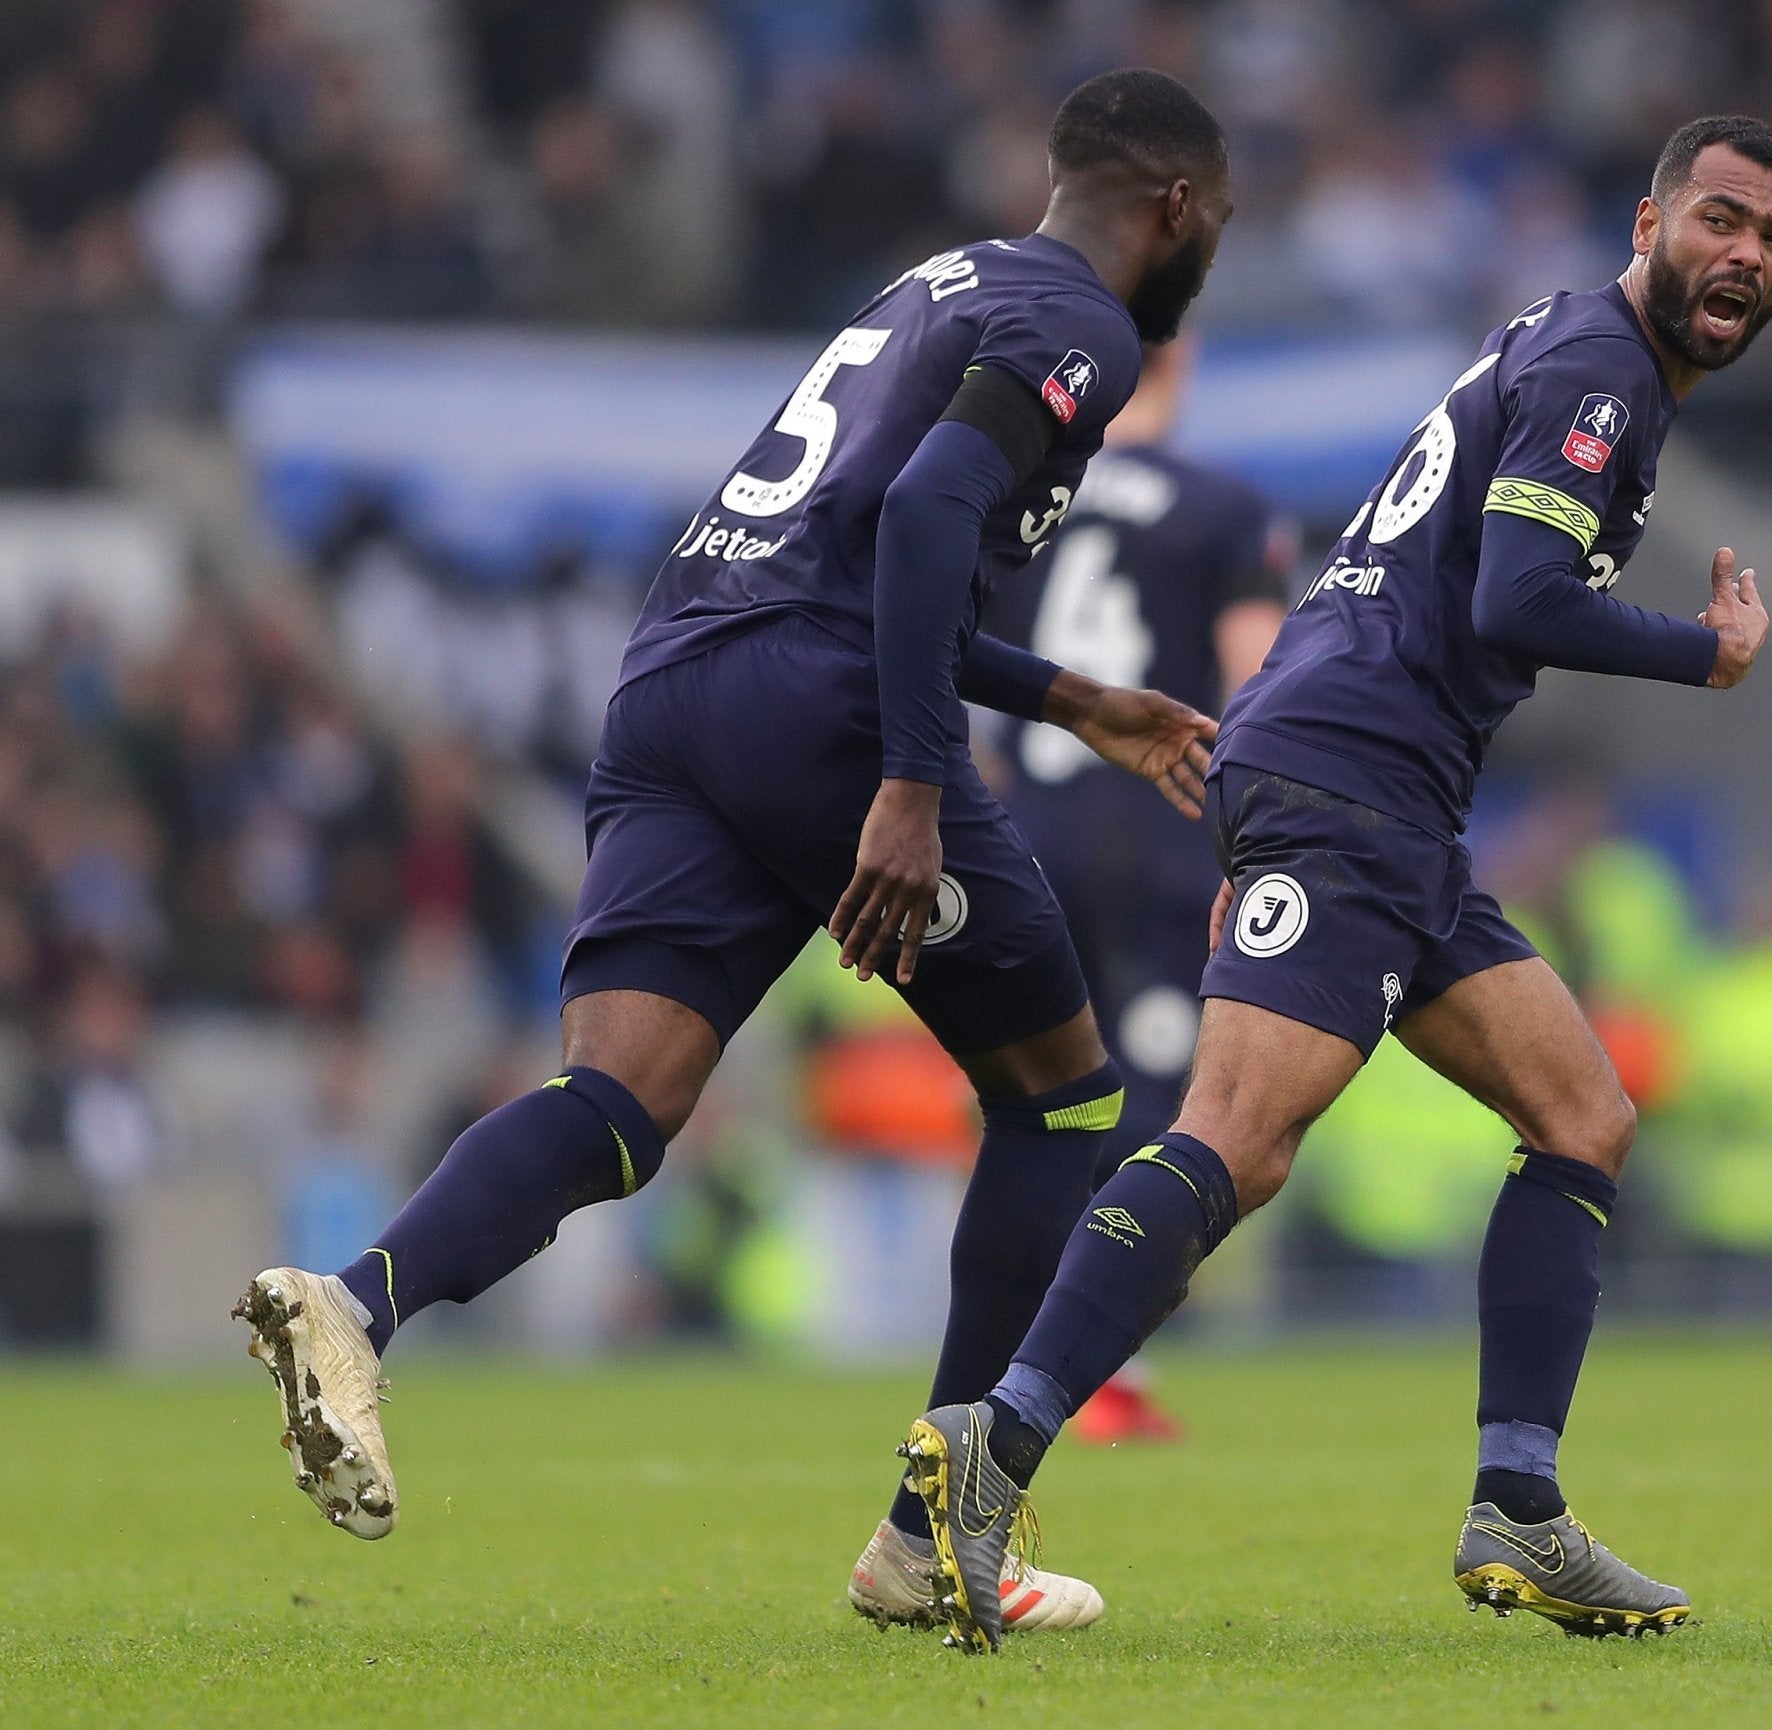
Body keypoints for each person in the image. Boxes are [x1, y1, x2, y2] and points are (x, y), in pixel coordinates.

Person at [232, 68, 1234, 1643]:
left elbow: (859, 544)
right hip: (821, 711)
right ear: (1173, 206)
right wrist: (908, 784)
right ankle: (938, 1533)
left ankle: (356, 1305)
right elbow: (917, 526)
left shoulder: (937, 281)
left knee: (619, 1097)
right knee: (1065, 1094)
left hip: (679, 678)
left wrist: (1072, 698)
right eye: (1216, 224)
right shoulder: (1084, 322)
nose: (1208, 258)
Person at [900, 114, 1772, 1653]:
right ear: (1646, 223)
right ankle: (992, 1447)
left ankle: (1516, 1502)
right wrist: (1697, 651)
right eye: (1718, 219)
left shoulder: (1575, 351)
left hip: (1383, 797)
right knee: (1236, 1142)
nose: (1743, 256)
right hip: (1349, 780)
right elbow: (1520, 593)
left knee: (1580, 1115)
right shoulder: (1598, 372)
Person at [976, 335, 1291, 1441]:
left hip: (1029, 838)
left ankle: (1017, 1357)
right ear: (1185, 358)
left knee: (1054, 1100)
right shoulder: (1224, 505)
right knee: (1160, 1108)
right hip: (1154, 838)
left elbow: (966, 667)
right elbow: (1252, 680)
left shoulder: (1023, 500)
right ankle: (1092, 1372)